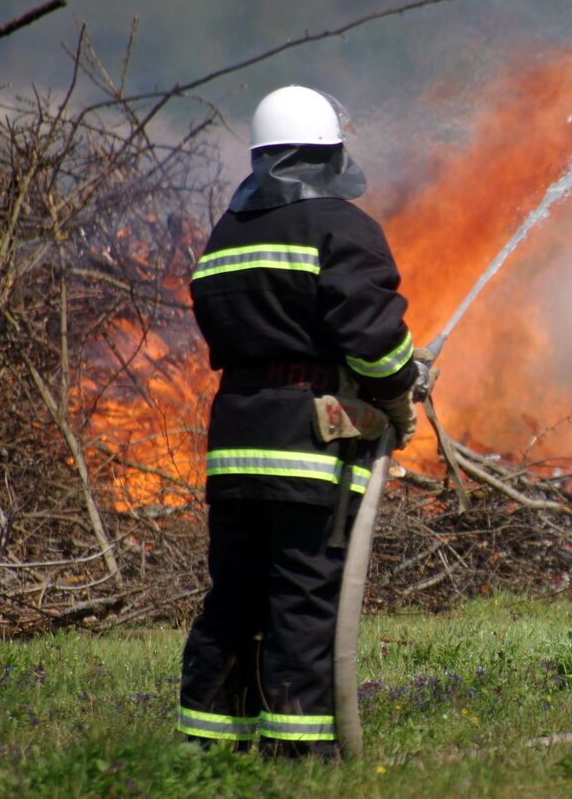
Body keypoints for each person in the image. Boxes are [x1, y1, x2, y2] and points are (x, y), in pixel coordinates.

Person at [177, 85, 423, 758]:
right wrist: (404, 388)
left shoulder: (227, 233)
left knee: (233, 600)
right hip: (308, 450)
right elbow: (374, 339)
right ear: (326, 156)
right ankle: (302, 757)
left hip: (234, 446)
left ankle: (206, 751)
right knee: (304, 600)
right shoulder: (342, 228)